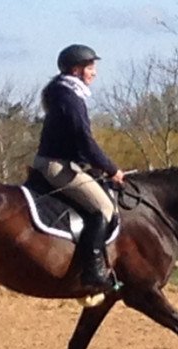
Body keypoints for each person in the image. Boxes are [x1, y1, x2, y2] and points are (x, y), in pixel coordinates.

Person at [33, 44, 125, 290]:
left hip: (64, 162)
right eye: (90, 67)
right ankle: (93, 272)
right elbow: (85, 141)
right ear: (76, 70)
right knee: (105, 208)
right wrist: (111, 169)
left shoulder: (65, 94)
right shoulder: (70, 98)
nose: (94, 72)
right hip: (57, 166)